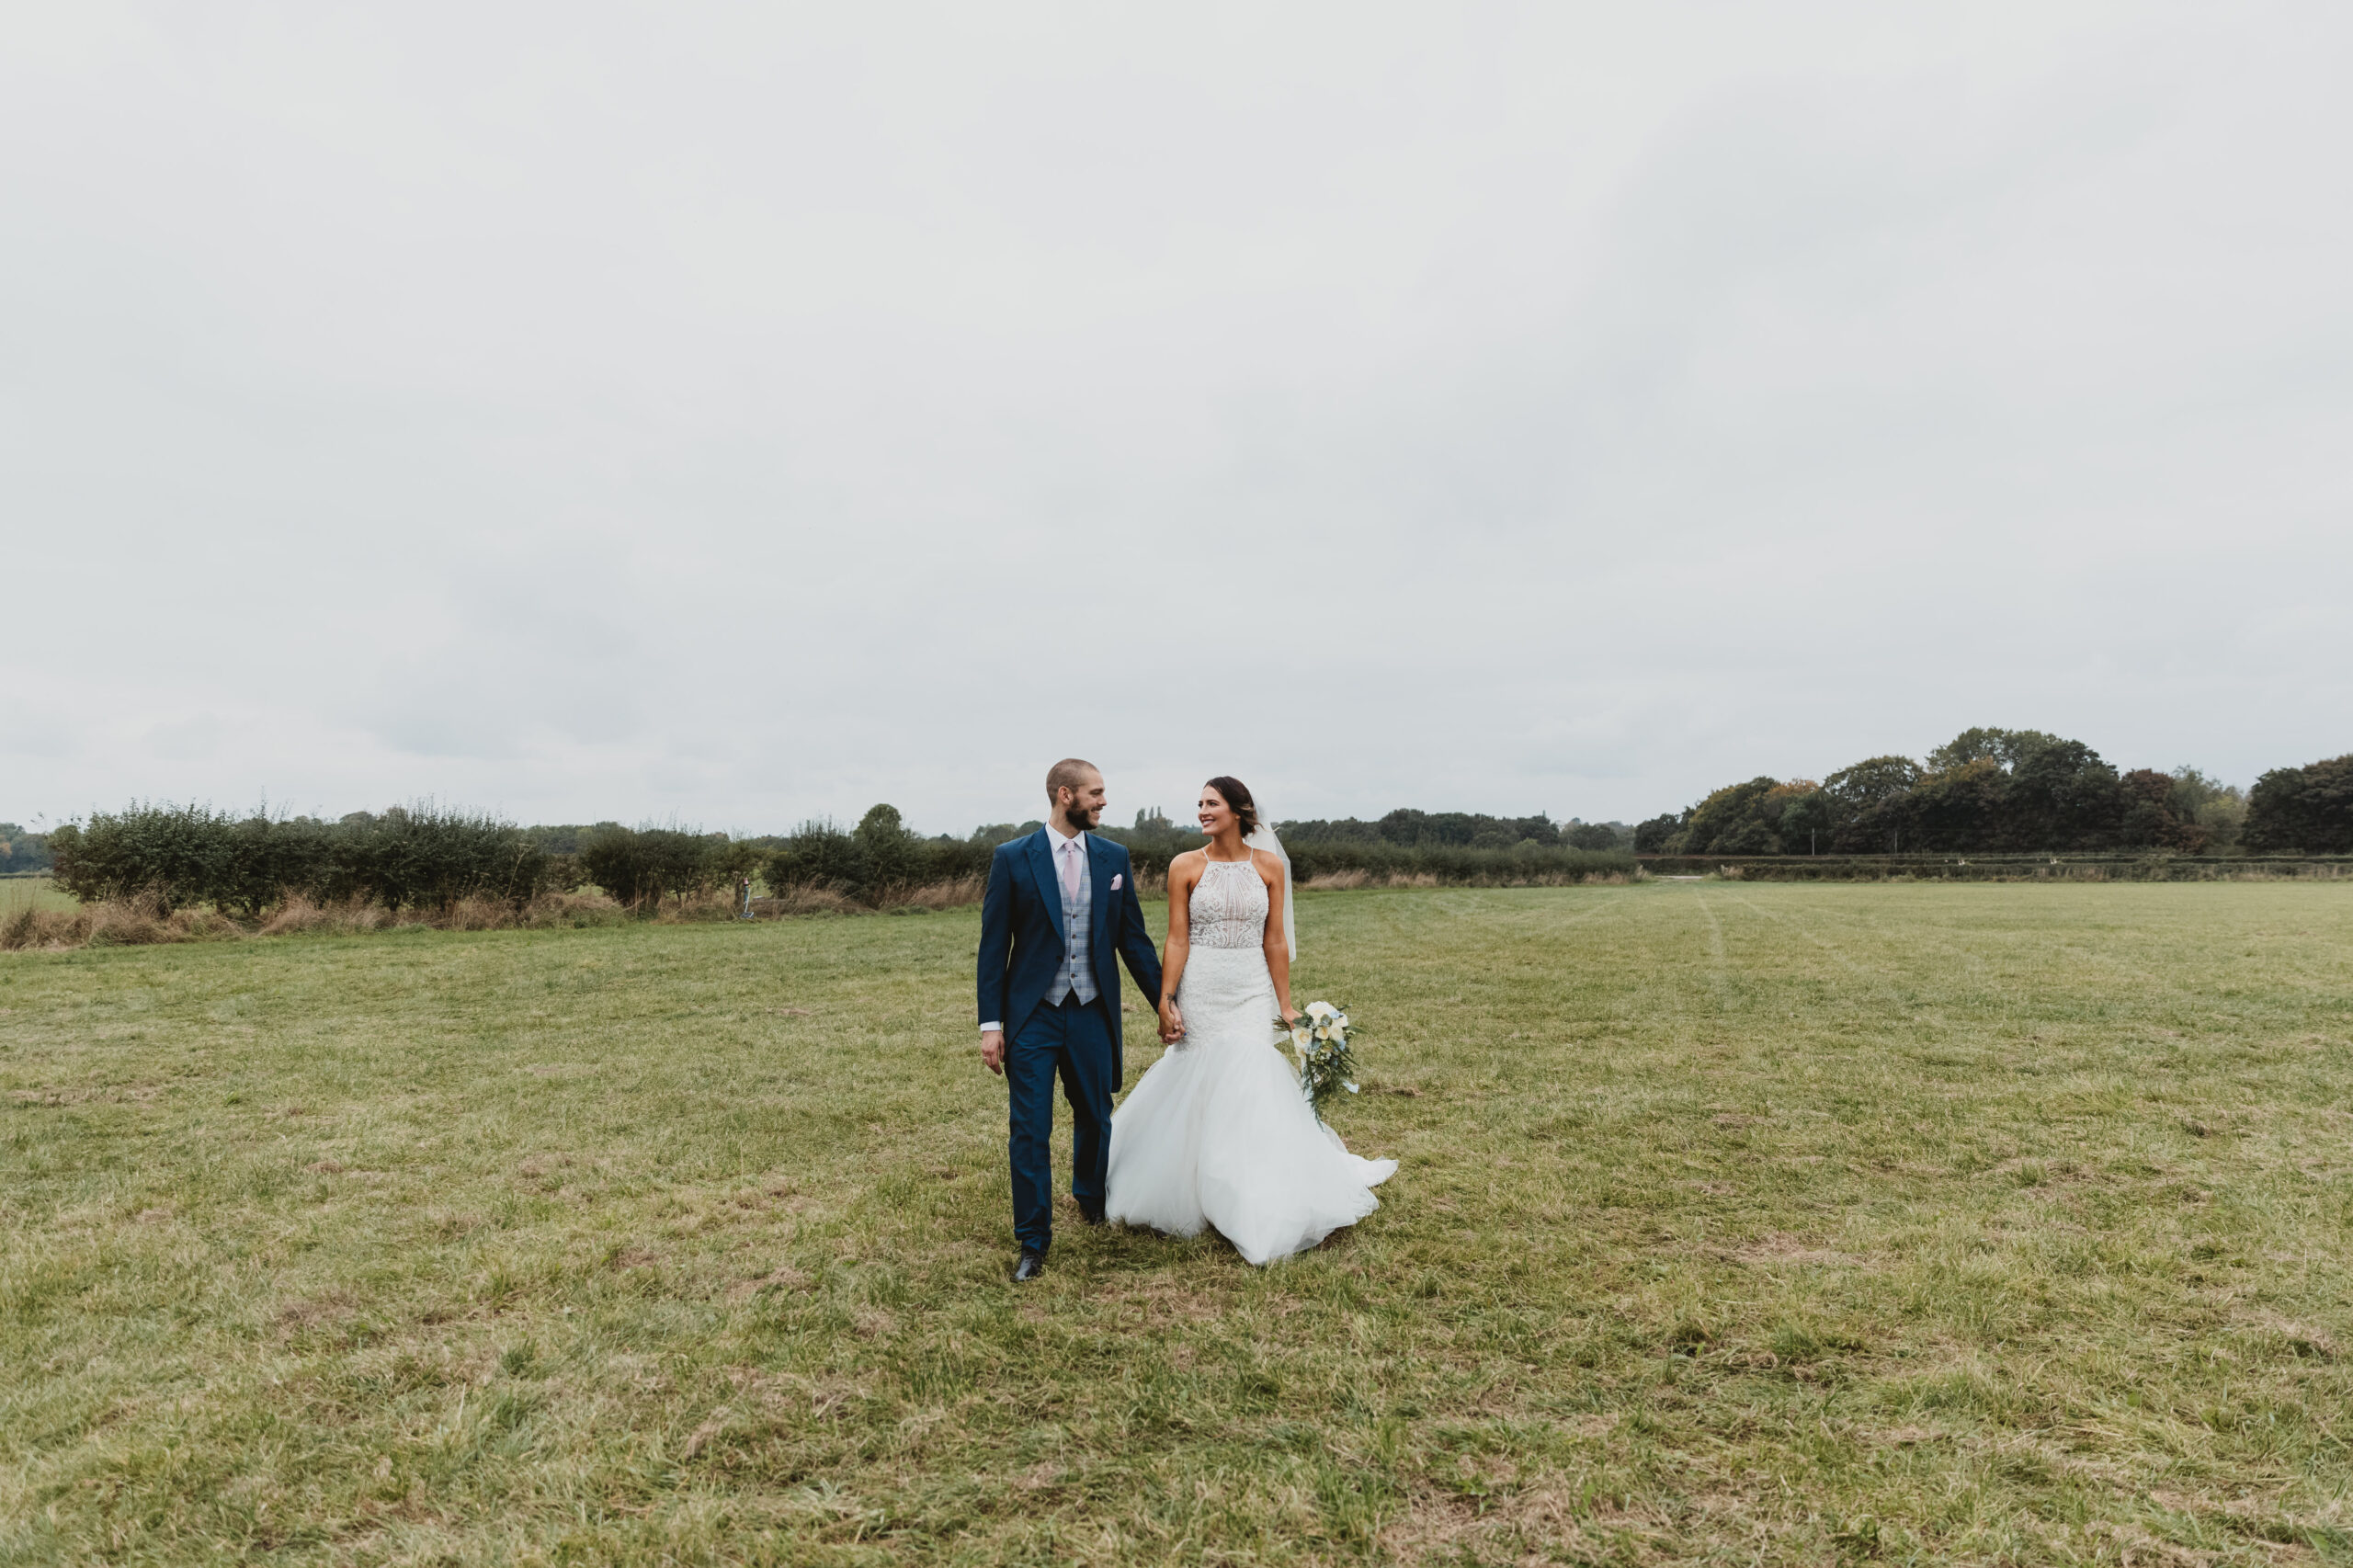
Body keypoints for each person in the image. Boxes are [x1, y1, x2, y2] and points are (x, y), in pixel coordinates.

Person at [1106, 776, 1396, 1264]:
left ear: (1238, 811)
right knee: (1200, 1077)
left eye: (1211, 803)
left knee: (1250, 1083)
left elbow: (1275, 940)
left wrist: (1285, 1005)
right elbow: (1177, 939)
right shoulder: (1184, 866)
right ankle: (1192, 1187)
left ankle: (1252, 1194)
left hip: (1251, 987)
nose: (1201, 811)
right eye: (1198, 803)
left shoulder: (1269, 866)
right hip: (1202, 987)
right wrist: (1166, 998)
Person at [975, 759, 1165, 1282]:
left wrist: (1165, 1004)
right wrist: (990, 1025)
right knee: (1029, 1129)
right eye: (1095, 793)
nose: (1103, 802)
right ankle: (1033, 1241)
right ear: (1065, 795)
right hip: (1032, 1017)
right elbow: (994, 948)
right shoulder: (1013, 858)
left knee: (1096, 1115)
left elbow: (1134, 941)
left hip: (1091, 1011)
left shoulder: (1113, 858)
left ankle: (1090, 1200)